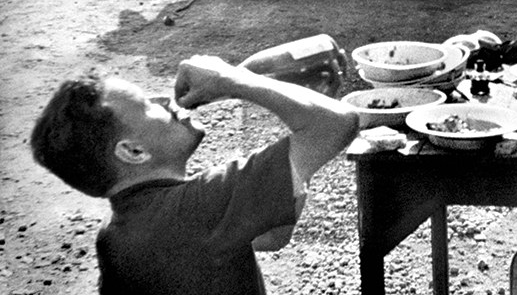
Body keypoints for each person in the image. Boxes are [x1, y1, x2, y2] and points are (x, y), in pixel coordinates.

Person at [30, 55, 359, 295]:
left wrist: (307, 116)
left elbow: (271, 236)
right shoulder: (197, 208)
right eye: (148, 103)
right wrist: (231, 79)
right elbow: (338, 124)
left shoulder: (116, 235)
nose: (164, 98)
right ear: (132, 152)